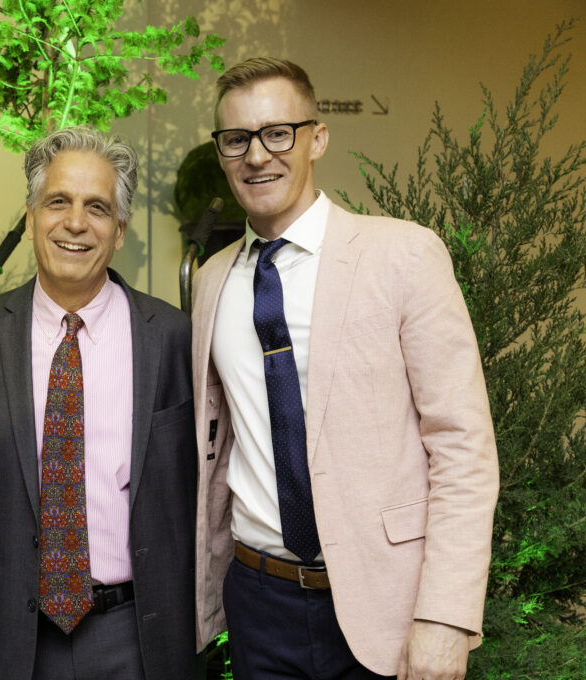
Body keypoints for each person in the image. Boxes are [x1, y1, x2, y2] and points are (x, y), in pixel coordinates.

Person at [192, 58, 499, 679]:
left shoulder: (404, 254)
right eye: (237, 139)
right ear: (222, 153)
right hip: (258, 598)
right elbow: (217, 447)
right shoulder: (210, 281)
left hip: (386, 601)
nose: (257, 156)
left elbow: (463, 446)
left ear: (318, 138)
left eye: (279, 133)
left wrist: (445, 616)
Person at [0, 127, 200, 680]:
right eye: (58, 202)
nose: (75, 223)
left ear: (120, 230)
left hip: (141, 638)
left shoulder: (173, 337)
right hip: (15, 645)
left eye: (97, 207)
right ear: (31, 217)